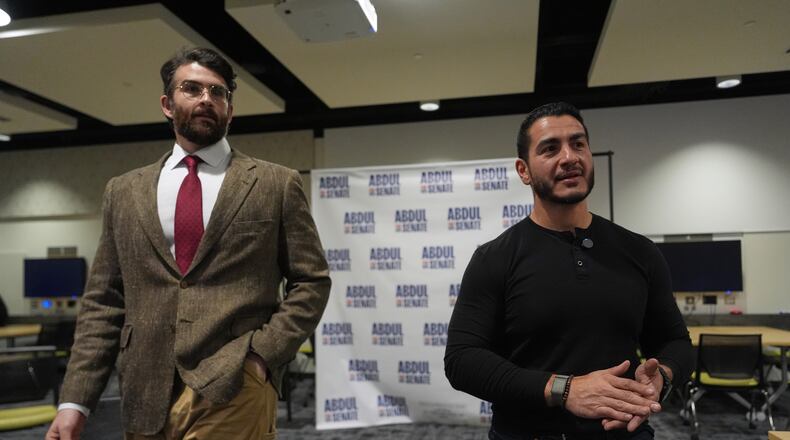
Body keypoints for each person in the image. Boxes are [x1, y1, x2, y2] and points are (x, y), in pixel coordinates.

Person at [46, 47, 331, 440]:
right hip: (144, 389)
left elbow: (311, 280)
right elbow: (104, 301)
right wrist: (75, 402)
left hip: (236, 381)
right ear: (167, 103)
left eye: (218, 93)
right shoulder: (124, 191)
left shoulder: (275, 184)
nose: (206, 100)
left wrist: (262, 356)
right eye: (192, 89)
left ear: (230, 110)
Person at [444, 102, 693, 439]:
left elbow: (674, 341)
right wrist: (564, 389)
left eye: (578, 144)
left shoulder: (640, 252)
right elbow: (463, 360)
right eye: (550, 148)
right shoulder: (495, 258)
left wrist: (662, 374)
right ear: (524, 170)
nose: (569, 157)